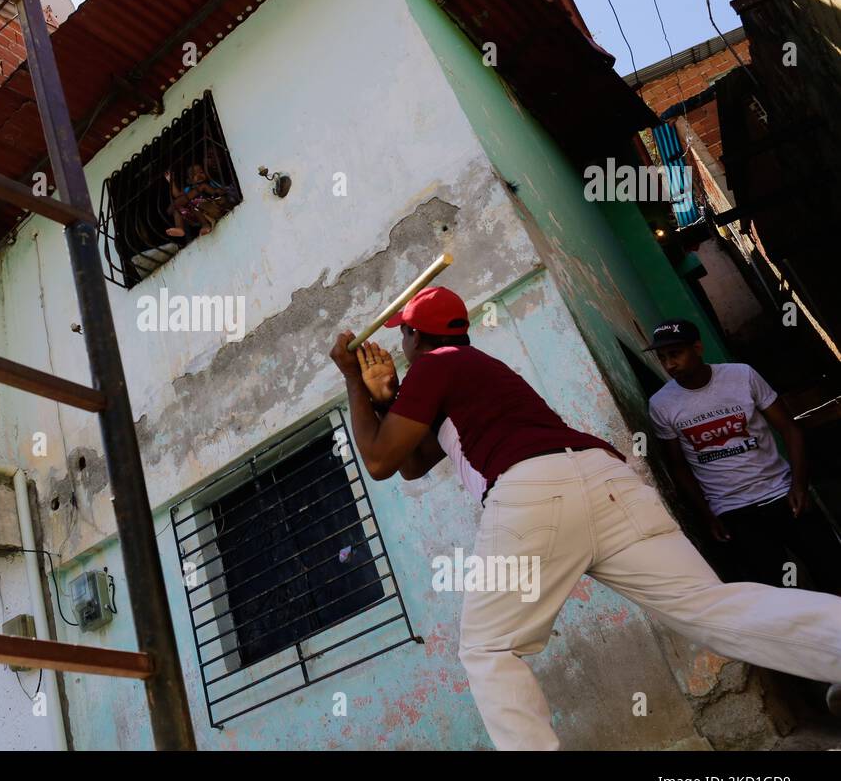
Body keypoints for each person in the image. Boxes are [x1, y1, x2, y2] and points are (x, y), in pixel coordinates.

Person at [330, 285, 841, 749]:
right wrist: (386, 398)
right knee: (710, 609)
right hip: (608, 482)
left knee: (488, 649)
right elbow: (411, 463)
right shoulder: (479, 372)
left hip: (533, 495)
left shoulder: (433, 366)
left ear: (416, 336)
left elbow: (376, 462)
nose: (400, 348)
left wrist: (352, 378)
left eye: (403, 337)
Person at [646, 319, 841, 595]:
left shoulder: (741, 376)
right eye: (662, 357)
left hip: (783, 494)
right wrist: (708, 516)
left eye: (676, 354)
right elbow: (678, 467)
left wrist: (799, 486)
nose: (669, 365)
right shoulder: (661, 405)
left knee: (833, 572)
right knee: (776, 595)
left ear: (698, 348)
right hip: (734, 514)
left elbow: (790, 428)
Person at [165, 163, 228, 238]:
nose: (198, 175)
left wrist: (216, 192)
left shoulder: (207, 184)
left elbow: (215, 192)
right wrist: (172, 182)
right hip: (195, 214)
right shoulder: (189, 189)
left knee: (196, 204)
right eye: (193, 174)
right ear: (189, 181)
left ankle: (205, 225)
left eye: (201, 172)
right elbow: (177, 195)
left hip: (210, 206)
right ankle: (180, 228)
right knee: (177, 210)